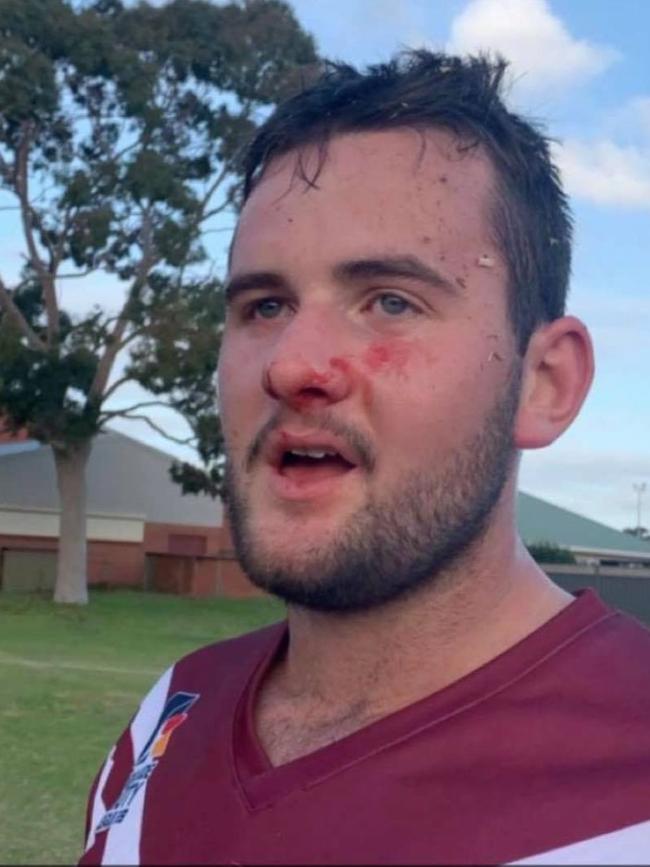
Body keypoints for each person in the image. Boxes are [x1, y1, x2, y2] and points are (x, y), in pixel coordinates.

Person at [79, 51, 650, 866]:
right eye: (264, 304)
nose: (291, 363)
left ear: (544, 382)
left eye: (390, 300)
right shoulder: (170, 715)